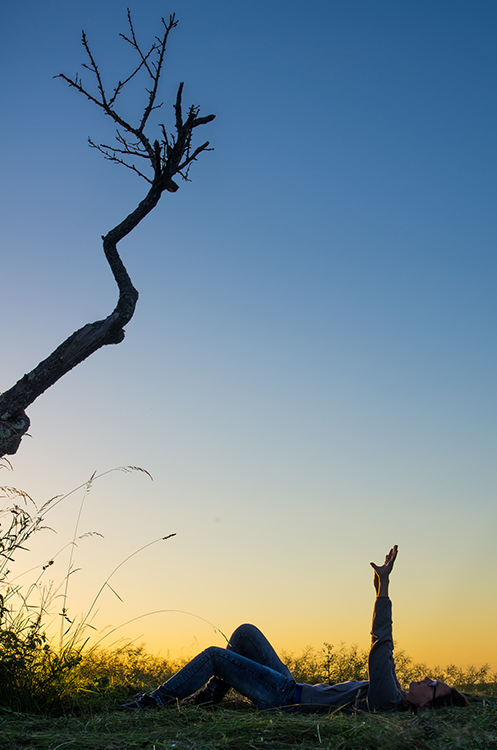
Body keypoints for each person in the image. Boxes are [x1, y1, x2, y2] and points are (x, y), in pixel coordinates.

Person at [120, 545, 468, 712]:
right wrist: (379, 588)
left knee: (215, 655)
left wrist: (385, 591)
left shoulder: (389, 703)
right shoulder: (393, 695)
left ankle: (152, 703)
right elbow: (383, 654)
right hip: (293, 686)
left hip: (283, 698)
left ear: (429, 706)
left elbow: (382, 647)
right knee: (244, 633)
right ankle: (210, 699)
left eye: (434, 686)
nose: (427, 678)